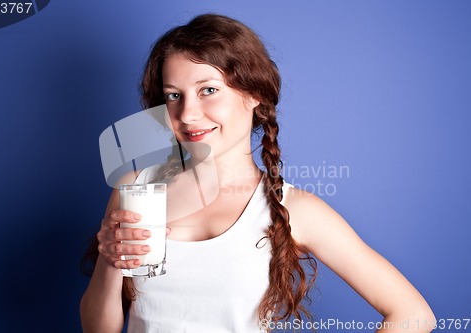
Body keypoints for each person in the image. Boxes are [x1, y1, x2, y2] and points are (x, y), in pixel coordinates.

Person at [80, 14, 435, 333]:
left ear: (254, 94)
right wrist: (111, 264)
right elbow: (98, 329)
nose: (187, 114)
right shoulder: (137, 188)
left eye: (208, 90)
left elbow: (412, 313)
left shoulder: (295, 209)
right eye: (174, 95)